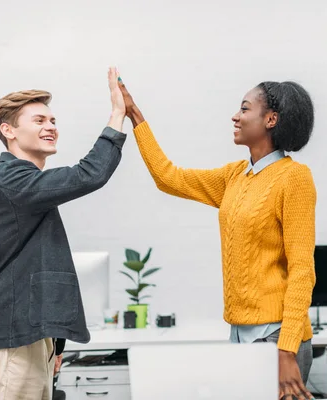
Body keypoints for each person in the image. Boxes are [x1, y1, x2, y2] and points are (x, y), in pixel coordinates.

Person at [119, 77, 317, 400]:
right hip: (240, 336)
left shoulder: (294, 179)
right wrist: (135, 116)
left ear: (270, 120)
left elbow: (302, 271)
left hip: (277, 339)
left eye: (244, 108)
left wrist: (287, 350)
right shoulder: (234, 176)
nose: (235, 117)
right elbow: (168, 177)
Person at [0, 67, 127, 399]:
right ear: (8, 130)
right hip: (10, 340)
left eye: (52, 121)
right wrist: (117, 114)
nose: (51, 127)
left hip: (31, 339)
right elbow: (88, 174)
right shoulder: (10, 180)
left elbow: (41, 267)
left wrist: (54, 343)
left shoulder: (28, 189)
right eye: (39, 120)